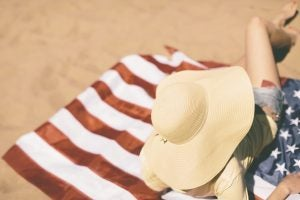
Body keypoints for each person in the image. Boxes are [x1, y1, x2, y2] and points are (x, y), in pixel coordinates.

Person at [139, 0, 300, 199]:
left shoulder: (157, 160)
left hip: (236, 109)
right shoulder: (227, 172)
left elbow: (155, 184)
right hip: (264, 112)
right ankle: (285, 39)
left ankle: (271, 46)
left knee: (242, 64)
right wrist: (284, 188)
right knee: (256, 25)